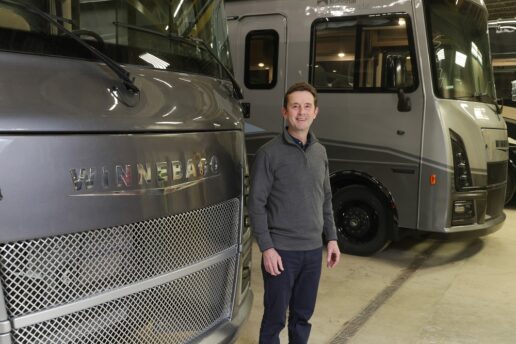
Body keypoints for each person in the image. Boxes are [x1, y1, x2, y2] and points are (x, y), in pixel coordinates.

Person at [248, 81, 341, 344]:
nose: (301, 112)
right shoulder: (269, 154)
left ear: (316, 112)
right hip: (281, 253)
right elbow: (256, 204)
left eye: (307, 106)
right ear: (284, 112)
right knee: (275, 318)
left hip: (312, 251)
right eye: (295, 106)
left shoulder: (319, 152)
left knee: (302, 316)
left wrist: (331, 238)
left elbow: (326, 199)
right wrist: (267, 248)